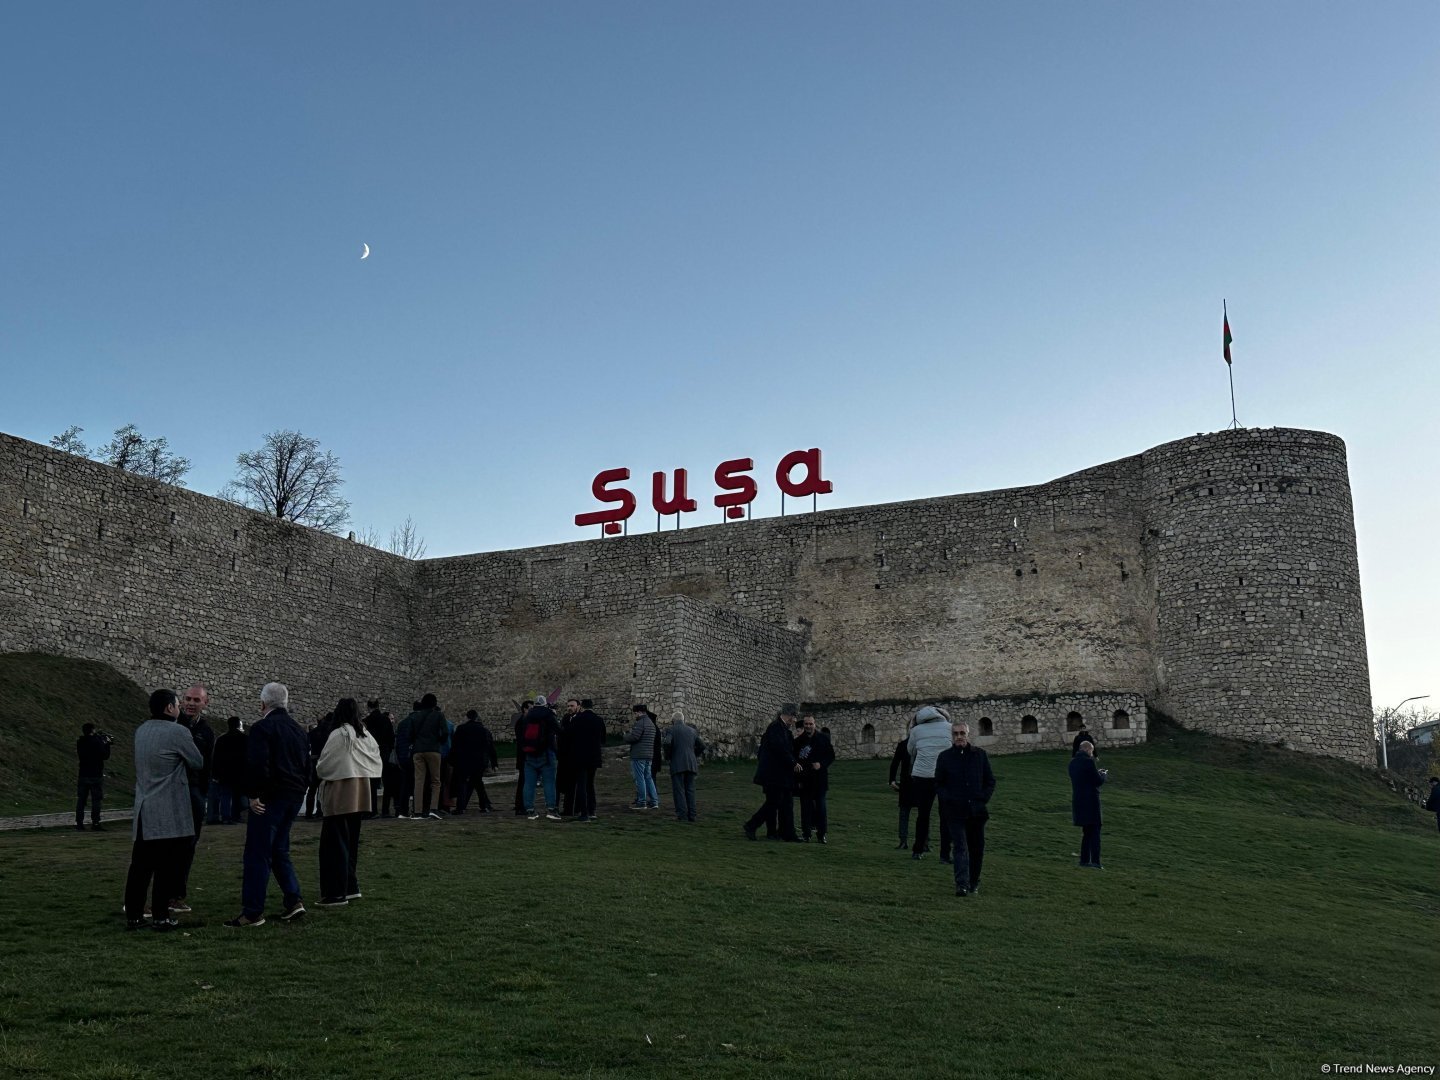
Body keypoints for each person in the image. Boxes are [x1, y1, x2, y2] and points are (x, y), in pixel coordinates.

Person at [227, 681, 309, 928]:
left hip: (270, 798)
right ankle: (293, 900)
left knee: (257, 852)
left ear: (262, 704)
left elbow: (258, 764)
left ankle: (252, 911)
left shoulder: (263, 728)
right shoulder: (299, 730)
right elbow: (307, 765)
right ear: (285, 703)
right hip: (294, 796)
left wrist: (255, 795)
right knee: (279, 849)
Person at [123, 689, 202, 929]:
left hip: (144, 808)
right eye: (178, 704)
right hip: (168, 810)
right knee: (167, 866)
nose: (179, 708)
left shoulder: (141, 731)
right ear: (169, 708)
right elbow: (197, 762)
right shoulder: (178, 732)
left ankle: (134, 915)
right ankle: (161, 915)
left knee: (140, 867)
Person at [315, 698, 384, 906]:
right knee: (351, 842)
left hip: (341, 791)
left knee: (333, 844)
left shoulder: (339, 735)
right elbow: (375, 757)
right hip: (360, 792)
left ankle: (335, 893)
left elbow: (325, 764)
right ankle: (350, 886)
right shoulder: (365, 734)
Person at [934, 721, 996, 897]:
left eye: (962, 733)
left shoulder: (979, 755)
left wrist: (982, 799)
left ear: (968, 734)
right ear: (952, 736)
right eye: (956, 734)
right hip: (954, 811)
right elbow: (938, 783)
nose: (959, 737)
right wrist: (948, 798)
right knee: (960, 847)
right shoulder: (945, 757)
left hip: (976, 810)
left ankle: (974, 881)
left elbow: (990, 781)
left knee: (977, 848)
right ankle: (961, 884)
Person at [174, 683, 216, 912]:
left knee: (189, 844)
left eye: (196, 700)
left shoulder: (206, 731)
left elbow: (207, 764)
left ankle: (177, 895)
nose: (191, 703)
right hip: (173, 791)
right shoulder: (173, 724)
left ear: (205, 703)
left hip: (195, 792)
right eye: (188, 699)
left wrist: (203, 792)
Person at [744, 704, 803, 841]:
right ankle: (752, 825)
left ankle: (788, 833)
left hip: (782, 775)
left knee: (787, 804)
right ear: (788, 715)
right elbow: (780, 749)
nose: (794, 721)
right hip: (774, 775)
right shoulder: (776, 728)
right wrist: (793, 763)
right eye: (794, 717)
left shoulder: (783, 730)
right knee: (774, 802)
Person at [906, 705, 952, 860]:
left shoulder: (916, 731)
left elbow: (911, 750)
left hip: (922, 776)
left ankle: (918, 849)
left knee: (923, 815)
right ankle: (945, 854)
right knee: (945, 816)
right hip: (944, 776)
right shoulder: (949, 728)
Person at [793, 714, 834, 843]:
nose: (808, 726)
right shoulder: (798, 741)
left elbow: (831, 755)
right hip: (805, 780)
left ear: (815, 724)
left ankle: (822, 835)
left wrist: (821, 764)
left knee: (821, 808)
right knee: (806, 808)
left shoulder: (823, 738)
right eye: (806, 724)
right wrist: (798, 780)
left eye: (811, 724)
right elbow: (795, 761)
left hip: (820, 780)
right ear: (803, 725)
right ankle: (806, 834)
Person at [518, 701, 562, 820]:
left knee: (529, 784)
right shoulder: (548, 715)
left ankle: (530, 810)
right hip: (546, 753)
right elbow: (559, 731)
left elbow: (521, 736)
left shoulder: (527, 717)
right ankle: (551, 809)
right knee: (549, 783)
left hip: (529, 754)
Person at [409, 693, 449, 820]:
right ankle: (433, 808)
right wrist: (440, 741)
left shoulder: (415, 717)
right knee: (435, 781)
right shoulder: (438, 715)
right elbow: (445, 731)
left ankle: (418, 811)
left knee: (419, 781)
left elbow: (410, 734)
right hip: (433, 749)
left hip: (418, 750)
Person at [1069, 739, 1107, 868]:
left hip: (1079, 801)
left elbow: (1083, 779)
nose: (1092, 753)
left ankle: (1084, 860)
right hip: (1091, 801)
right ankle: (1096, 861)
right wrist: (1103, 775)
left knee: (1086, 832)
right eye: (1091, 751)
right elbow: (1097, 781)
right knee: (1095, 831)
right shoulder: (1088, 762)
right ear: (1087, 749)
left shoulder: (1072, 763)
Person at [451, 709, 498, 814]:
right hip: (479, 761)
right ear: (476, 717)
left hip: (464, 760)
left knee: (462, 783)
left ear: (467, 717)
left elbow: (455, 746)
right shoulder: (483, 730)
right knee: (478, 782)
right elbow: (489, 747)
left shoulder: (461, 729)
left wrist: (453, 760)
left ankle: (460, 807)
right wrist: (493, 762)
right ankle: (484, 806)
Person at [663, 711, 707, 822]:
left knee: (679, 790)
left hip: (677, 763)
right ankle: (692, 815)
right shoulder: (692, 731)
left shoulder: (670, 730)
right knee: (690, 790)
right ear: (683, 720)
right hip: (691, 763)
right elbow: (702, 745)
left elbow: (667, 743)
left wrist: (668, 756)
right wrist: (694, 754)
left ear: (673, 721)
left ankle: (682, 815)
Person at [568, 699, 606, 822]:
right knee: (590, 784)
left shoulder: (577, 719)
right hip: (594, 756)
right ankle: (592, 810)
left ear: (581, 707)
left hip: (580, 756)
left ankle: (583, 813)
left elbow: (570, 736)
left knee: (582, 785)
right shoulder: (599, 720)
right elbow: (603, 739)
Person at [210, 716, 248, 824]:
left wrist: (215, 774)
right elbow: (248, 758)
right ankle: (236, 816)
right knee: (237, 796)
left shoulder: (221, 739)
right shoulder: (245, 739)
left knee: (225, 795)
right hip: (239, 773)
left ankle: (226, 817)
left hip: (224, 773)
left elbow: (216, 758)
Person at [75, 722, 113, 830]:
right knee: (96, 800)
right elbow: (105, 756)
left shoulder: (80, 742)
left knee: (81, 800)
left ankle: (79, 823)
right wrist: (107, 744)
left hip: (83, 774)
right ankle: (95, 823)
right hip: (95, 774)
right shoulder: (97, 742)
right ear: (92, 730)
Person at [624, 704, 660, 810]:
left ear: (639, 712)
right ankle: (654, 801)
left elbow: (634, 737)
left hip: (639, 755)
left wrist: (625, 736)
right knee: (648, 778)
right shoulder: (651, 724)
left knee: (640, 778)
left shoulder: (640, 723)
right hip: (649, 755)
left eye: (635, 713)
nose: (634, 715)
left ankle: (642, 802)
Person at [362, 700, 395, 817]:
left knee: (371, 784)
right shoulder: (385, 720)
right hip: (384, 752)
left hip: (370, 753)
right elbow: (392, 738)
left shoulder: (366, 721)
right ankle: (385, 810)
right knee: (387, 782)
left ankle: (371, 810)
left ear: (368, 707)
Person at [888, 724, 915, 850]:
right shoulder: (904, 744)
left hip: (920, 782)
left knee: (922, 814)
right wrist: (892, 780)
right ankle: (904, 841)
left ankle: (924, 842)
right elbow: (895, 763)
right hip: (908, 783)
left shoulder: (922, 744)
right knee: (905, 813)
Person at [556, 699, 579, 816]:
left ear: (578, 706)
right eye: (568, 706)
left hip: (574, 757)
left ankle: (572, 808)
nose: (570, 708)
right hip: (564, 756)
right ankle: (566, 808)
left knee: (573, 785)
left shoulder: (579, 719)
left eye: (572, 706)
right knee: (564, 784)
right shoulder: (565, 718)